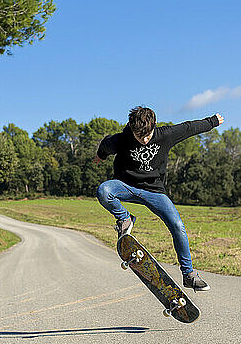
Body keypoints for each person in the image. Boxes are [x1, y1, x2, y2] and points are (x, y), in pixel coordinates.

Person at [94, 106, 225, 291]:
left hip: (154, 191)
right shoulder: (122, 139)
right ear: (132, 129)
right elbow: (106, 145)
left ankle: (189, 274)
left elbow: (189, 128)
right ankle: (124, 218)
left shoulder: (165, 135)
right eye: (140, 137)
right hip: (125, 186)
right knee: (104, 190)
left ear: (154, 127)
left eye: (147, 136)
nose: (145, 140)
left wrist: (212, 121)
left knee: (177, 225)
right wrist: (100, 156)